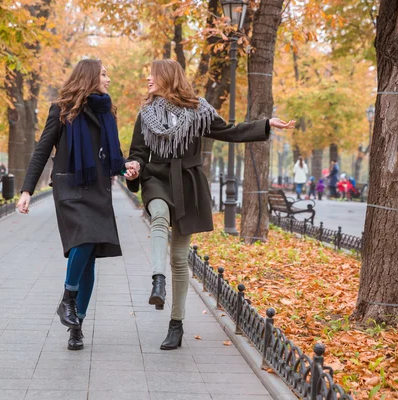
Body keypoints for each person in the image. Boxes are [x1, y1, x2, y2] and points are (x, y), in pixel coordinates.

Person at [125, 59, 294, 350]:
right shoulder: (146, 114)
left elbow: (229, 131)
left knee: (179, 257)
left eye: (151, 75)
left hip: (187, 184)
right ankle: (157, 280)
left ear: (166, 77)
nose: (148, 79)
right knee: (159, 215)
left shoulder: (198, 111)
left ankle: (176, 324)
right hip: (157, 178)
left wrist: (264, 124)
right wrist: (135, 168)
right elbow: (138, 153)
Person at [17, 59, 138, 351]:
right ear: (89, 77)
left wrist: (126, 168)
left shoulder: (107, 111)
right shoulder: (61, 110)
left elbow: (113, 157)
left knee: (89, 257)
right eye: (104, 74)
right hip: (69, 186)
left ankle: (76, 325)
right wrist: (26, 190)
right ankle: (68, 298)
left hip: (97, 187)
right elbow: (42, 150)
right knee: (83, 238)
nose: (109, 79)